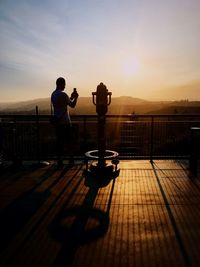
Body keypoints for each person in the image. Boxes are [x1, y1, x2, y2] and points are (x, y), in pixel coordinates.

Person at [51, 77, 79, 167]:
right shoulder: (63, 95)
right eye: (64, 84)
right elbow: (72, 105)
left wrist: (71, 97)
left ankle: (60, 160)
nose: (65, 86)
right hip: (66, 123)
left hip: (57, 122)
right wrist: (76, 97)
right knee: (70, 142)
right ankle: (71, 160)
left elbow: (62, 104)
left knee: (59, 142)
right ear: (61, 84)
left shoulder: (53, 94)